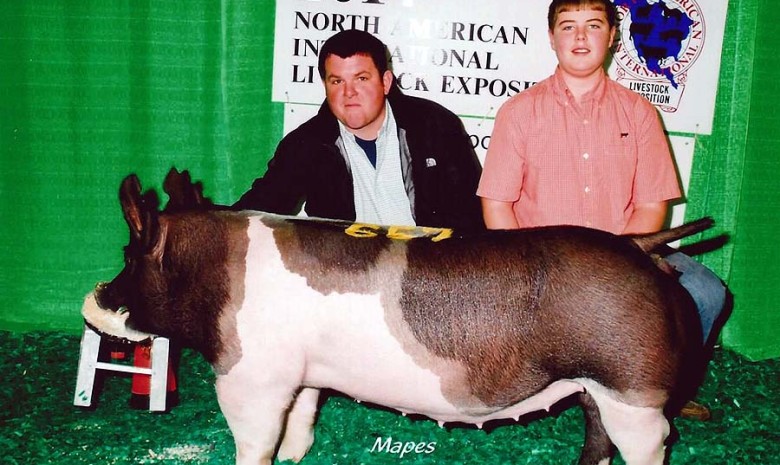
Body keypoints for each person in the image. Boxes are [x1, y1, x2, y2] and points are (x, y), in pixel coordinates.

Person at [477, 0, 727, 420]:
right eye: (567, 26)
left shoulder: (640, 113)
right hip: (544, 260)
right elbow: (497, 204)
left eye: (592, 25)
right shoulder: (519, 113)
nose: (579, 37)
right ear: (552, 37)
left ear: (611, 37)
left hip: (625, 249)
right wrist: (522, 267)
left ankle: (663, 390)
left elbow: (652, 204)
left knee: (707, 292)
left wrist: (618, 261)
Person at [233, 29, 485, 233]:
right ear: (325, 86)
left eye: (361, 79)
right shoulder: (306, 143)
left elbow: (473, 218)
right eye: (337, 81)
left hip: (428, 270)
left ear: (385, 82)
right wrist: (204, 222)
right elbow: (259, 209)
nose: (349, 92)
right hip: (346, 276)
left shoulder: (437, 127)